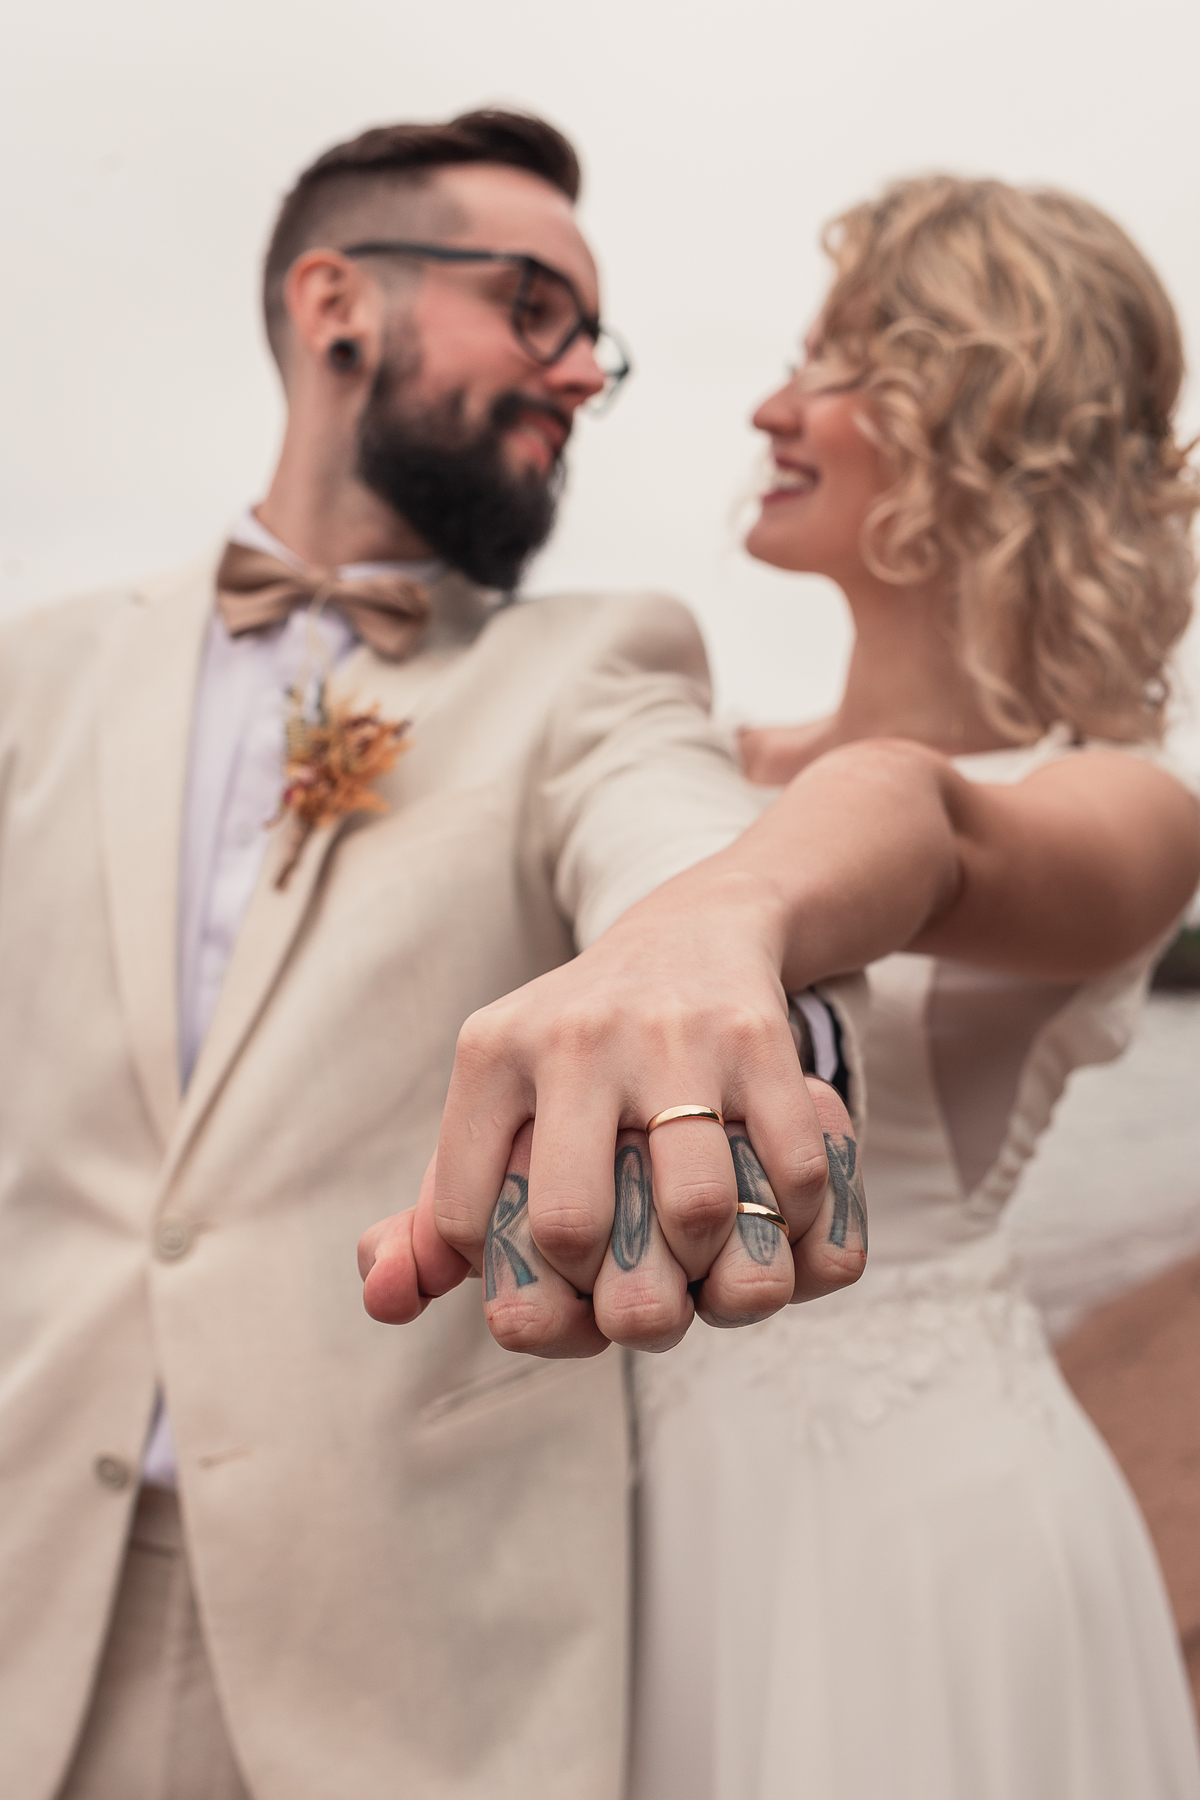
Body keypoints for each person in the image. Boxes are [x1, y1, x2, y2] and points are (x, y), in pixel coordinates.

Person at [1, 109, 869, 1800]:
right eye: (538, 309)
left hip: (414, 1654)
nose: (578, 378)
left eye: (594, 345)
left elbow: (683, 845)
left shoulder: (597, 664)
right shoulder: (32, 671)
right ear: (339, 304)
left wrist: (721, 972)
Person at [368, 179, 1200, 1797]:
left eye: (836, 366)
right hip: (588, 1519)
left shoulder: (1126, 807)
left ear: (984, 414)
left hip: (909, 1520)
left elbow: (921, 821)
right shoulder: (668, 771)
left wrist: (718, 920)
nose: (769, 406)